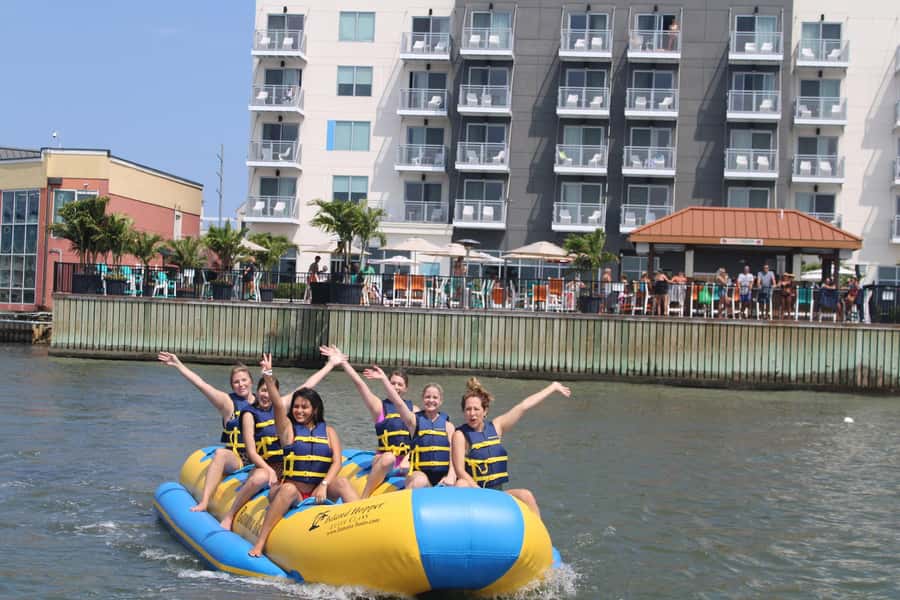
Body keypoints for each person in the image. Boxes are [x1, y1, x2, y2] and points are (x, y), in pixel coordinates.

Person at [219, 349, 348, 530]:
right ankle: (231, 514)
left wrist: (331, 365)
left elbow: (308, 386)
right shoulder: (253, 413)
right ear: (257, 391)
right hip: (267, 464)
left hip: (287, 464)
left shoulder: (289, 405)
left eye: (269, 391)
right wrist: (268, 374)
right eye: (262, 391)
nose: (266, 395)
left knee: (340, 482)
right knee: (259, 479)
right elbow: (251, 451)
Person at [248, 353, 359, 558]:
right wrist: (268, 375)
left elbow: (337, 462)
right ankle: (261, 541)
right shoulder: (288, 429)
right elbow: (279, 406)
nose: (299, 410)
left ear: (314, 409)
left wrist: (324, 485)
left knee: (342, 482)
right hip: (292, 492)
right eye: (296, 407)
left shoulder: (328, 431)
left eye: (304, 407)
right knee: (289, 489)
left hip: (319, 491)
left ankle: (364, 531)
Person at [453, 377, 570, 518]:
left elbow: (523, 406)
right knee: (461, 484)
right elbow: (460, 470)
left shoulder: (497, 427)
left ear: (485, 411)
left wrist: (553, 387)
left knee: (526, 495)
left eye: (476, 409)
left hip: (497, 495)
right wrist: (478, 491)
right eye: (468, 409)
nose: (472, 413)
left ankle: (541, 538)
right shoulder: (460, 435)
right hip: (476, 495)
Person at [157, 352, 256, 513]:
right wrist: (178, 364)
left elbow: (294, 397)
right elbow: (202, 385)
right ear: (232, 386)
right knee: (220, 453)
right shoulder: (228, 403)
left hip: (259, 459)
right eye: (236, 382)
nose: (241, 384)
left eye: (244, 380)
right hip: (237, 458)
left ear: (251, 381)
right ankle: (204, 501)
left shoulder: (263, 402)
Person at [331, 347, 418, 498]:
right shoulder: (379, 407)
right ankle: (365, 498)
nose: (396, 387)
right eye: (393, 383)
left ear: (406, 388)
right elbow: (360, 385)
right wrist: (344, 364)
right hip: (384, 461)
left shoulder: (414, 411)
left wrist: (407, 459)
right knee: (389, 458)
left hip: (406, 463)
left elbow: (420, 441)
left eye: (400, 384)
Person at [364, 366, 456, 489]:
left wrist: (451, 475)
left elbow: (454, 456)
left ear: (441, 401)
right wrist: (384, 379)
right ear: (423, 399)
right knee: (418, 480)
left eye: (435, 397)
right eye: (428, 397)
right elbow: (399, 403)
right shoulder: (414, 421)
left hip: (442, 476)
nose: (431, 400)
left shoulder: (448, 426)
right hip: (414, 472)